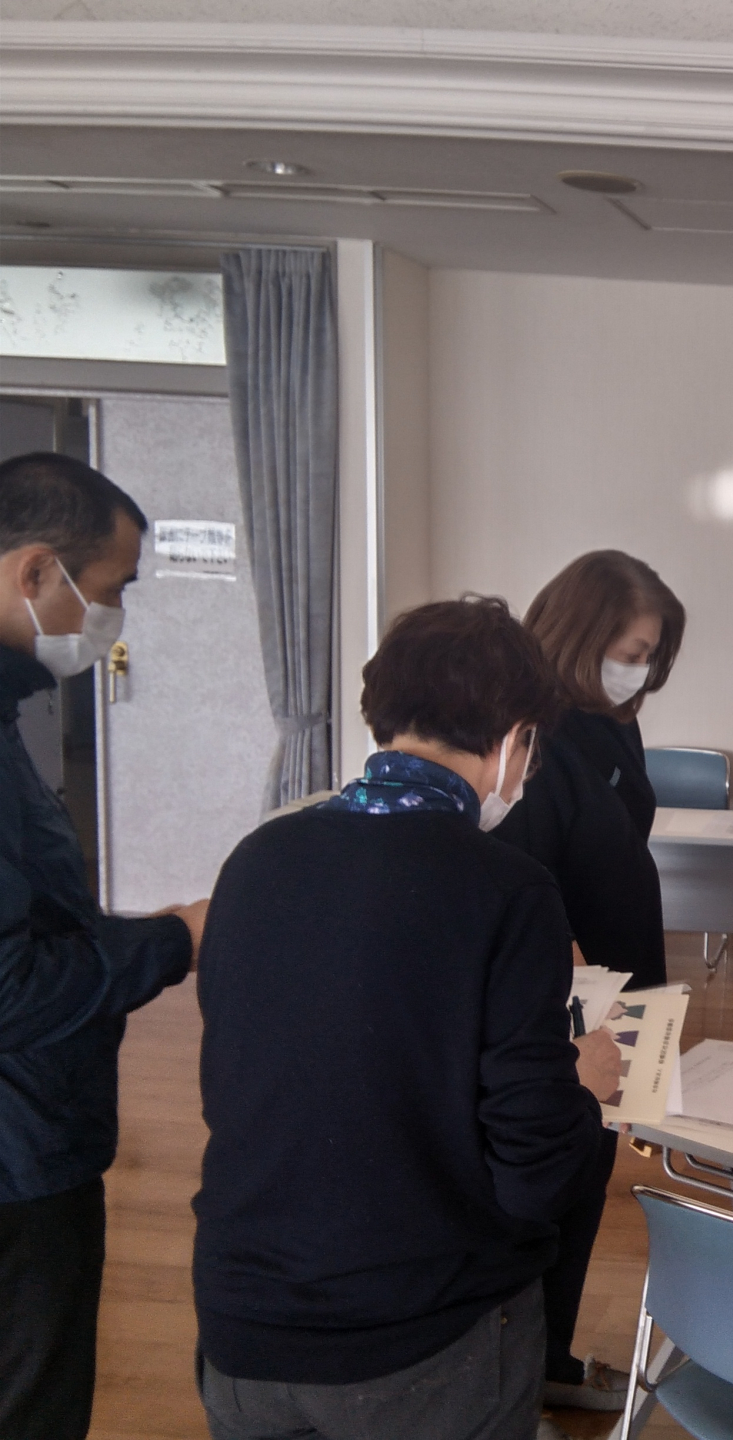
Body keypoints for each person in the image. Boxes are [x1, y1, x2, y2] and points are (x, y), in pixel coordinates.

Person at [193, 597, 621, 1440]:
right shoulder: (506, 889)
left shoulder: (257, 858)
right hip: (422, 1336)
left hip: (244, 1322)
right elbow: (534, 1176)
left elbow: (252, 1081)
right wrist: (586, 1089)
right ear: (516, 738)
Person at [0, 452, 207, 1439]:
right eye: (112, 589)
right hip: (16, 1160)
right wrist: (174, 941)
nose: (112, 617)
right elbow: (9, 986)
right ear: (36, 571)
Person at [491, 549, 685, 1414]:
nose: (638, 671)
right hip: (573, 1002)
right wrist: (586, 1020)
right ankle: (522, 1377)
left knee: (584, 1178)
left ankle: (550, 1361)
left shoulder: (610, 724)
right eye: (629, 653)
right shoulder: (535, 738)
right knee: (552, 1182)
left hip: (617, 985)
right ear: (578, 636)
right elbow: (525, 885)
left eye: (650, 657)